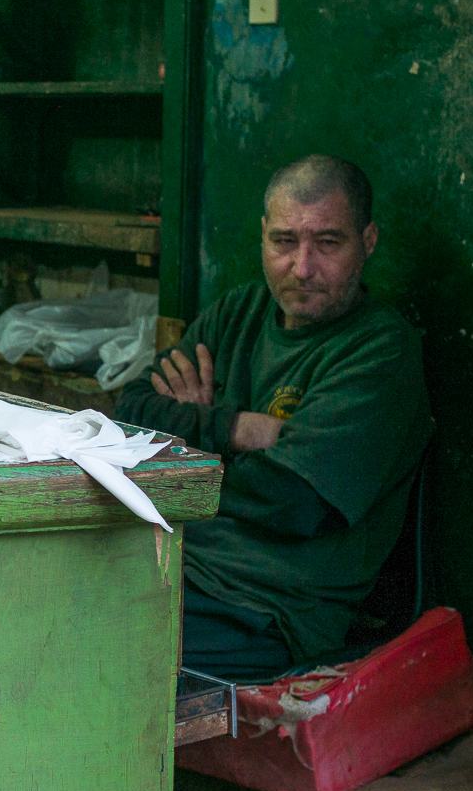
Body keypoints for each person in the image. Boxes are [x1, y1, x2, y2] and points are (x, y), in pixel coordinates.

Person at [115, 155, 432, 682]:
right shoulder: (240, 312)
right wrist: (238, 428)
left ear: (368, 241)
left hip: (267, 611)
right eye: (284, 242)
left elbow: (292, 499)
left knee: (80, 640)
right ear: (263, 235)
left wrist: (188, 434)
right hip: (175, 562)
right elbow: (131, 411)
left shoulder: (380, 349)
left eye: (328, 244)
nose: (302, 268)